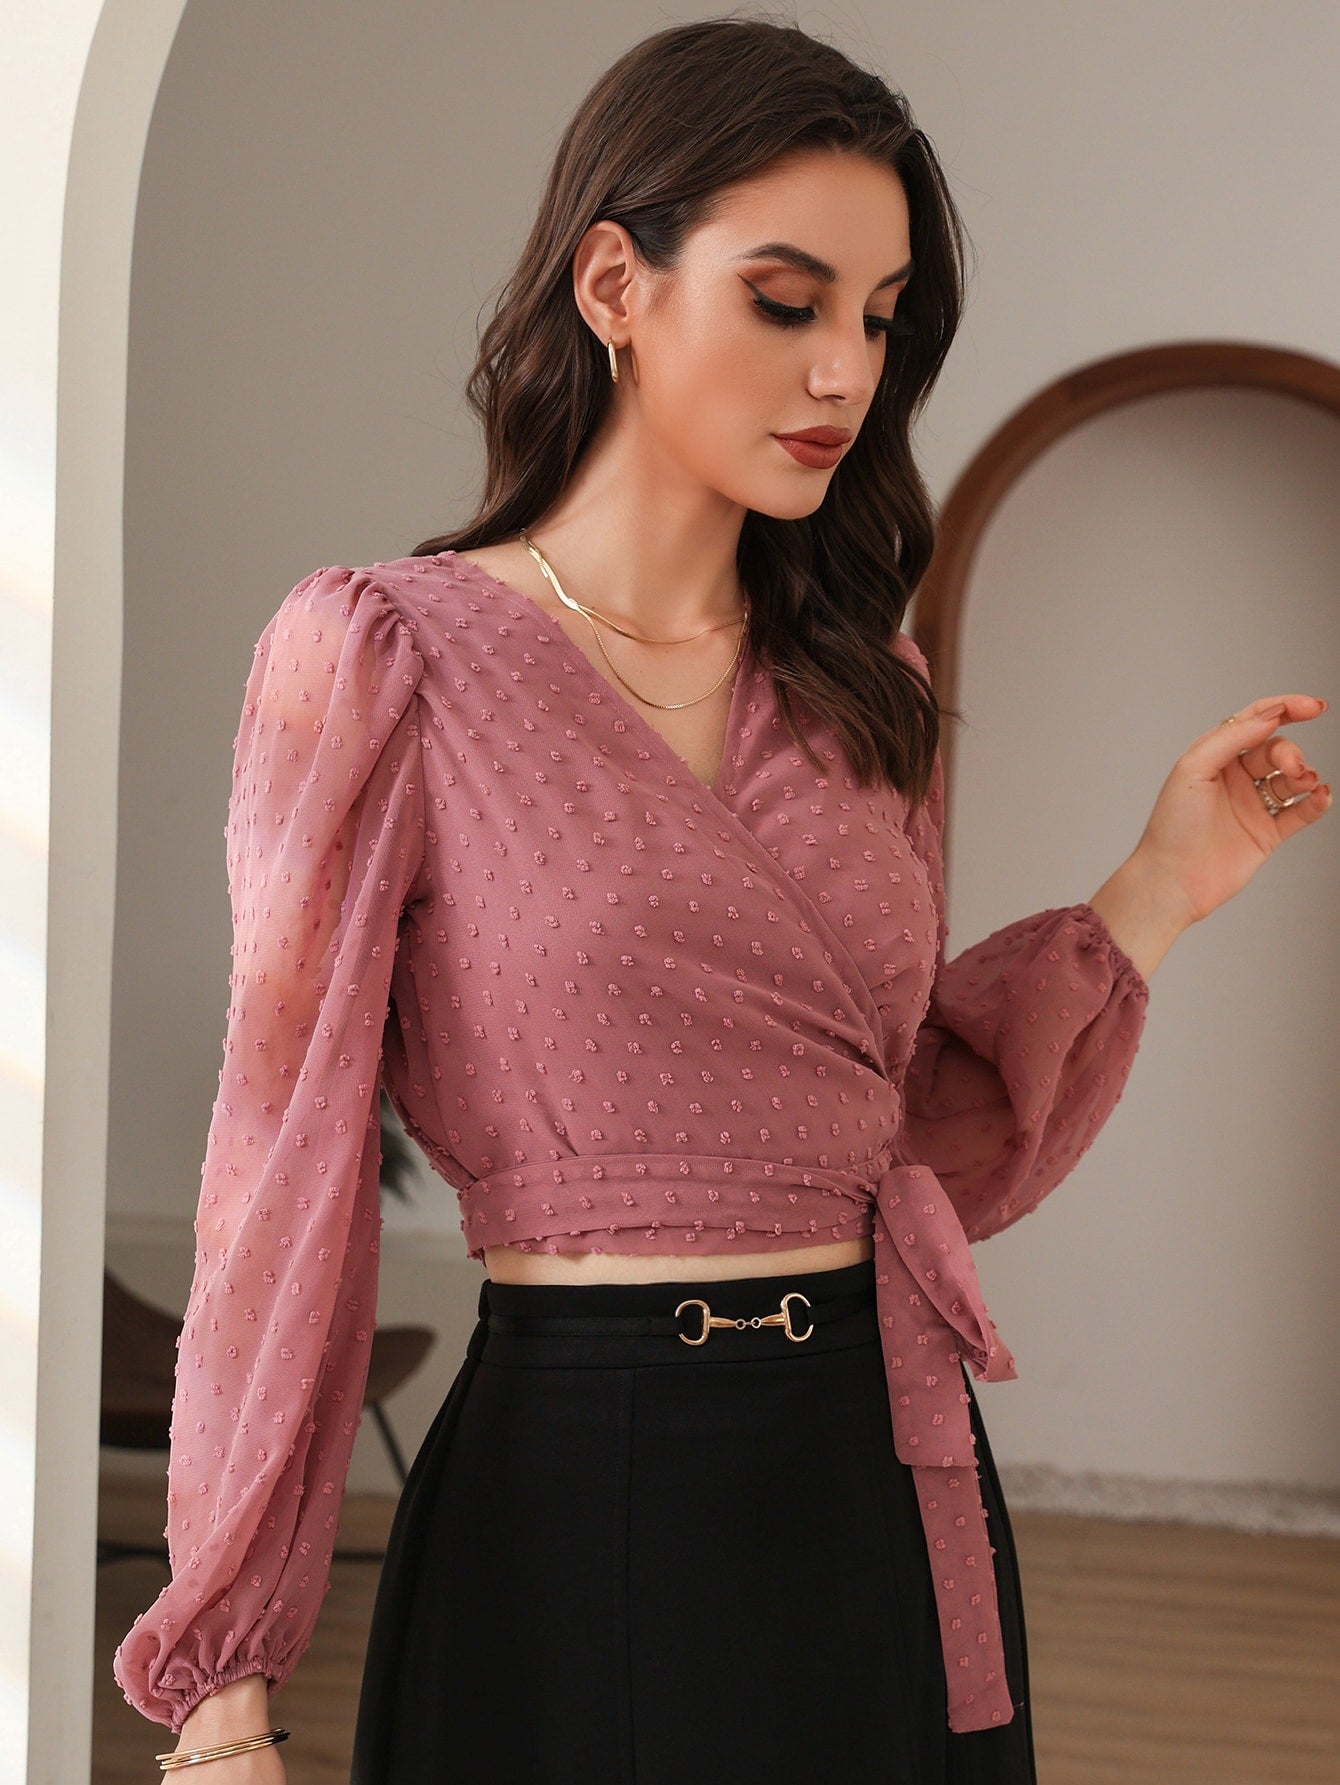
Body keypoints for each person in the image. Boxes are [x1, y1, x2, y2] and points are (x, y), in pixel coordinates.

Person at [113, 15, 1330, 1782]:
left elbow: (898, 1138)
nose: (844, 369)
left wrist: (1158, 889)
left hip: (879, 1470)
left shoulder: (867, 691)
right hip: (570, 1482)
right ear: (615, 283)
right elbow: (279, 1167)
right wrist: (222, 1686)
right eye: (785, 300)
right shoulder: (386, 654)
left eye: (881, 318)